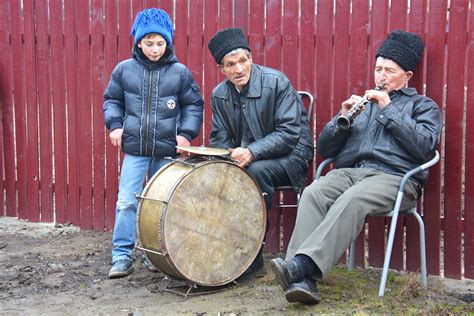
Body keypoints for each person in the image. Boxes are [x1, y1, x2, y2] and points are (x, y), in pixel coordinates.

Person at [270, 30, 442, 304]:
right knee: (315, 192)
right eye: (378, 69)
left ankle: (300, 268)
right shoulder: (364, 106)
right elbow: (326, 151)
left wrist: (389, 110)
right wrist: (341, 118)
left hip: (397, 179)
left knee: (352, 199)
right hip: (351, 172)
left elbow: (424, 147)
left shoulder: (423, 106)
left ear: (407, 75)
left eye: (389, 70)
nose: (381, 76)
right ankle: (302, 279)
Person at [103, 8, 204, 279]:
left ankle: (155, 254)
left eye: (161, 43)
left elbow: (193, 105)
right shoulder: (124, 71)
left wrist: (185, 134)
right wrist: (115, 125)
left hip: (166, 152)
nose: (155, 49)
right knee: (126, 201)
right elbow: (112, 100)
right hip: (135, 150)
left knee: (161, 203)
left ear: (168, 42)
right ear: (137, 41)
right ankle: (122, 256)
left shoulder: (180, 73)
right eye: (149, 43)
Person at [207, 28, 314, 276]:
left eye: (243, 61)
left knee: (253, 172)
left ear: (251, 59)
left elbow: (289, 134)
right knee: (214, 172)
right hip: (248, 158)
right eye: (231, 64)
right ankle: (221, 246)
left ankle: (252, 254)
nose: (239, 69)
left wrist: (252, 152)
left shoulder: (276, 82)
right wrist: (229, 154)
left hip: (291, 157)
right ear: (222, 69)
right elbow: (220, 137)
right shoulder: (219, 95)